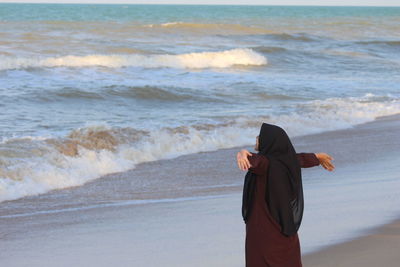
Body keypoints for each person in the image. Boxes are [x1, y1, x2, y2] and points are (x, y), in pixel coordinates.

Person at [236, 123, 335, 267]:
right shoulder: (287, 162)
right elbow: (299, 159)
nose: (257, 138)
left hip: (263, 228)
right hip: (284, 226)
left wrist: (242, 153)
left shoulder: (265, 163)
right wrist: (317, 157)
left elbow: (254, 161)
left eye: (260, 136)